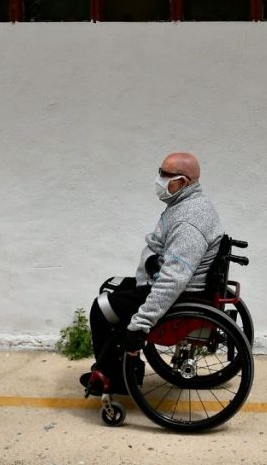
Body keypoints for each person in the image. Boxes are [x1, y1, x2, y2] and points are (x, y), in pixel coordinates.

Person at [80, 152, 224, 395]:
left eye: (166, 175)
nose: (160, 179)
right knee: (110, 287)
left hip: (180, 294)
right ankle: (123, 365)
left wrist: (141, 323)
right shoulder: (187, 204)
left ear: (184, 182)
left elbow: (174, 278)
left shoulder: (189, 221)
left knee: (101, 308)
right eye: (160, 171)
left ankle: (117, 380)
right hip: (168, 282)